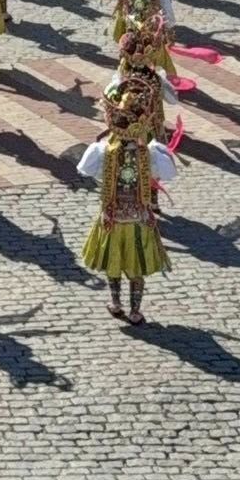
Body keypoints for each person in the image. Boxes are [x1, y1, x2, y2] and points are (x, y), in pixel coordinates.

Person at [78, 76, 178, 325]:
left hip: (112, 215)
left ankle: (116, 302)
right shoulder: (151, 153)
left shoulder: (102, 152)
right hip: (139, 217)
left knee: (113, 261)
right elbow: (169, 174)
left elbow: (84, 170)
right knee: (137, 265)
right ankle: (135, 310)